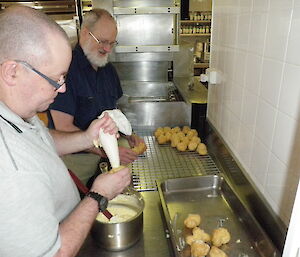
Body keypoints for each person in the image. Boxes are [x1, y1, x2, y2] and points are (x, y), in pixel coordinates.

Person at [0, 6, 131, 257]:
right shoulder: (10, 169)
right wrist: (99, 196)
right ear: (12, 72)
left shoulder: (17, 112)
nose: (61, 89)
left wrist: (87, 136)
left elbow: (43, 140)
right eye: (55, 79)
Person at [48, 8, 145, 185]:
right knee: (81, 204)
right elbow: (63, 127)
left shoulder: (107, 69)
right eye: (102, 41)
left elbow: (115, 112)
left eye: (112, 43)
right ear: (85, 33)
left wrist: (129, 134)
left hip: (108, 154)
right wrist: (106, 150)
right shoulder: (67, 70)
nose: (108, 49)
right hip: (77, 160)